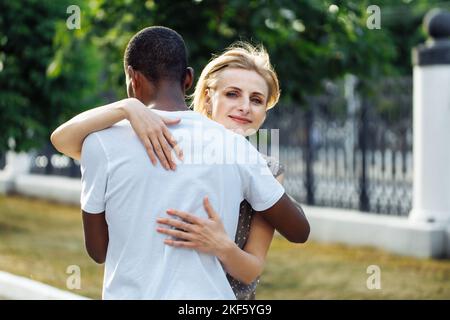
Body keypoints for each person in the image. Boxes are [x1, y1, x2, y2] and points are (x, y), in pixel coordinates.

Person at [51, 26, 309, 299]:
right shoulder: (236, 149)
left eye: (257, 100)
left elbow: (98, 251)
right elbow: (299, 231)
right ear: (192, 82)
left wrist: (223, 246)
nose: (244, 107)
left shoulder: (100, 143)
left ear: (132, 78)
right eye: (232, 94)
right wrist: (127, 108)